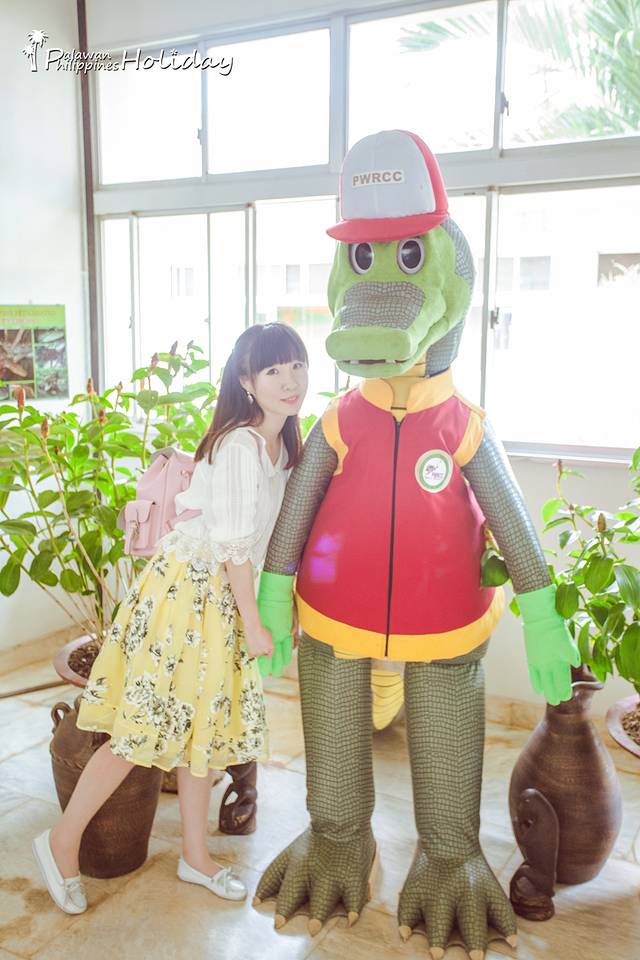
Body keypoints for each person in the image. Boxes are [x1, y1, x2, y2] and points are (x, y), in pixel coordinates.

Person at [32, 322, 309, 914]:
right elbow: (233, 546)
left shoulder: (285, 446)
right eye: (274, 370)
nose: (290, 381)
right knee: (140, 730)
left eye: (297, 366)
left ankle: (195, 857)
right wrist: (255, 622)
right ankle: (62, 841)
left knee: (201, 731)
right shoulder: (238, 445)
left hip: (221, 597)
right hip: (187, 592)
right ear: (246, 381)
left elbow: (274, 540)